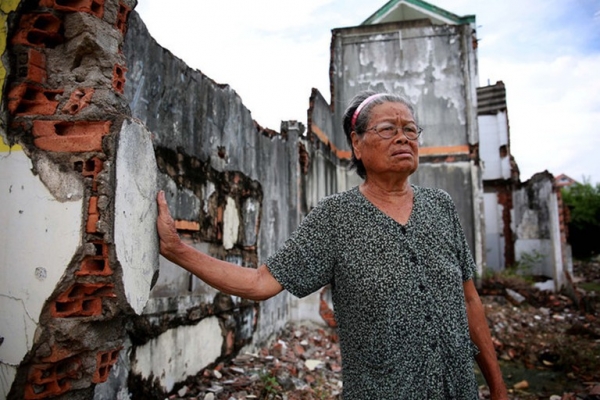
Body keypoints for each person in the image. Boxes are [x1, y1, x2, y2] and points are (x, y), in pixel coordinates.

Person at [156, 90, 508, 399]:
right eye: (388, 129)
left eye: (410, 129)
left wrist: (498, 388)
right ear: (356, 143)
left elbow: (469, 299)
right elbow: (260, 283)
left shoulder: (441, 206)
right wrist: (177, 250)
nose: (403, 138)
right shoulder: (335, 218)